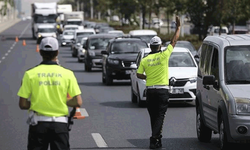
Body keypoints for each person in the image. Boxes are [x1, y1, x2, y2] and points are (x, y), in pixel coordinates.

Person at [17, 37, 83, 150]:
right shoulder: (68, 74)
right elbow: (78, 102)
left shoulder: (30, 74)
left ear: (41, 52)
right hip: (60, 125)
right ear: (57, 52)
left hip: (38, 125)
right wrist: (61, 101)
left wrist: (37, 103)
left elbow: (22, 104)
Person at [136, 16, 181, 149]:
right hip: (162, 91)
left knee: (153, 116)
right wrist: (178, 28)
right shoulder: (164, 55)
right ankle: (154, 139)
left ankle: (157, 139)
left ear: (150, 46)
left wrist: (147, 77)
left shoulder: (145, 60)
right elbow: (174, 41)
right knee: (160, 116)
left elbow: (138, 74)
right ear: (160, 46)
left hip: (150, 91)